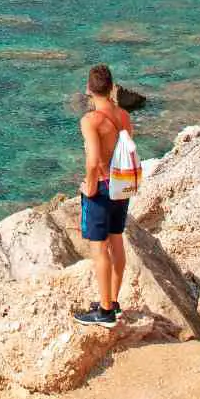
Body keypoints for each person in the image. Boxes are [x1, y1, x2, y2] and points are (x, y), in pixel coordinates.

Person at [73, 63, 133, 327]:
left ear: (88, 89)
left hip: (103, 187)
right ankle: (113, 302)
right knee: (116, 239)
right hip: (122, 184)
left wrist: (90, 186)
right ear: (112, 88)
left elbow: (94, 159)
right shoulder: (124, 116)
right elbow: (127, 148)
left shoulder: (91, 120)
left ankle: (105, 311)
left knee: (99, 249)